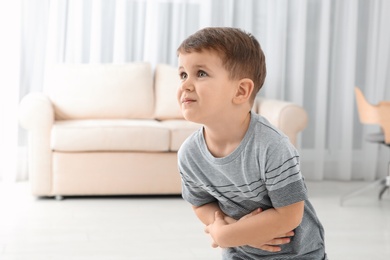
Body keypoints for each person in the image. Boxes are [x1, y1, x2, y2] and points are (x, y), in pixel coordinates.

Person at [176, 27, 327, 259]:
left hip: (297, 254)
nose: (185, 84)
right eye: (183, 74)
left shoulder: (270, 146)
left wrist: (226, 236)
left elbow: (289, 215)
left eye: (201, 73)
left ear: (241, 90)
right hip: (240, 254)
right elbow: (201, 203)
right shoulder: (189, 154)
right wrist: (231, 232)